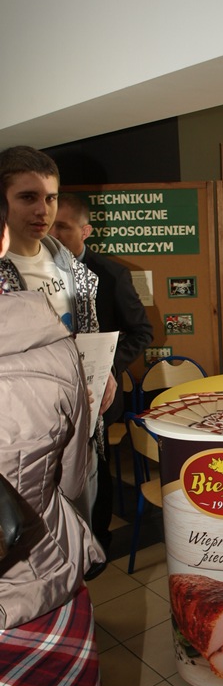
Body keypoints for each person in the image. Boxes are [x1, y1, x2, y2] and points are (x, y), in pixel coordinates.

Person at [0, 191, 108, 686]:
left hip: (33, 582)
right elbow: (71, 481)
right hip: (37, 581)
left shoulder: (83, 277)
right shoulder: (51, 348)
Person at [0, 147, 115, 538]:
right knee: (38, 545)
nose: (42, 210)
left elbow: (88, 336)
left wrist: (105, 373)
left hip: (82, 428)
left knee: (84, 535)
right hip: (23, 439)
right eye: (27, 197)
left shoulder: (68, 265)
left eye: (50, 198)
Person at [51, 192, 153, 556]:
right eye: (50, 226)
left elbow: (141, 332)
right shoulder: (35, 272)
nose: (53, 234)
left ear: (85, 231)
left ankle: (98, 543)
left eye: (62, 227)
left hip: (99, 397)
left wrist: (107, 367)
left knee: (96, 466)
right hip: (51, 396)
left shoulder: (111, 274)